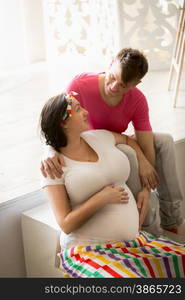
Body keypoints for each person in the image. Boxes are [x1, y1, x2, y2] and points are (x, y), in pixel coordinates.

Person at [41, 48, 185, 243]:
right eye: (112, 77)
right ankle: (148, 224)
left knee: (164, 141)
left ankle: (172, 221)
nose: (114, 87)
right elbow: (58, 118)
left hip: (109, 140)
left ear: (136, 84)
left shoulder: (137, 99)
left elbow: (144, 139)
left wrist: (145, 187)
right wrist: (49, 150)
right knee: (127, 152)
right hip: (91, 144)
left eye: (123, 85)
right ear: (109, 64)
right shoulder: (80, 85)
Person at [40, 92, 151, 249]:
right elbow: (65, 224)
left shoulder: (98, 137)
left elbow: (127, 140)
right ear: (63, 123)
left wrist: (143, 161)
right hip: (88, 249)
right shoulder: (53, 167)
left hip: (130, 245)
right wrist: (101, 198)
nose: (86, 112)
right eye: (78, 109)